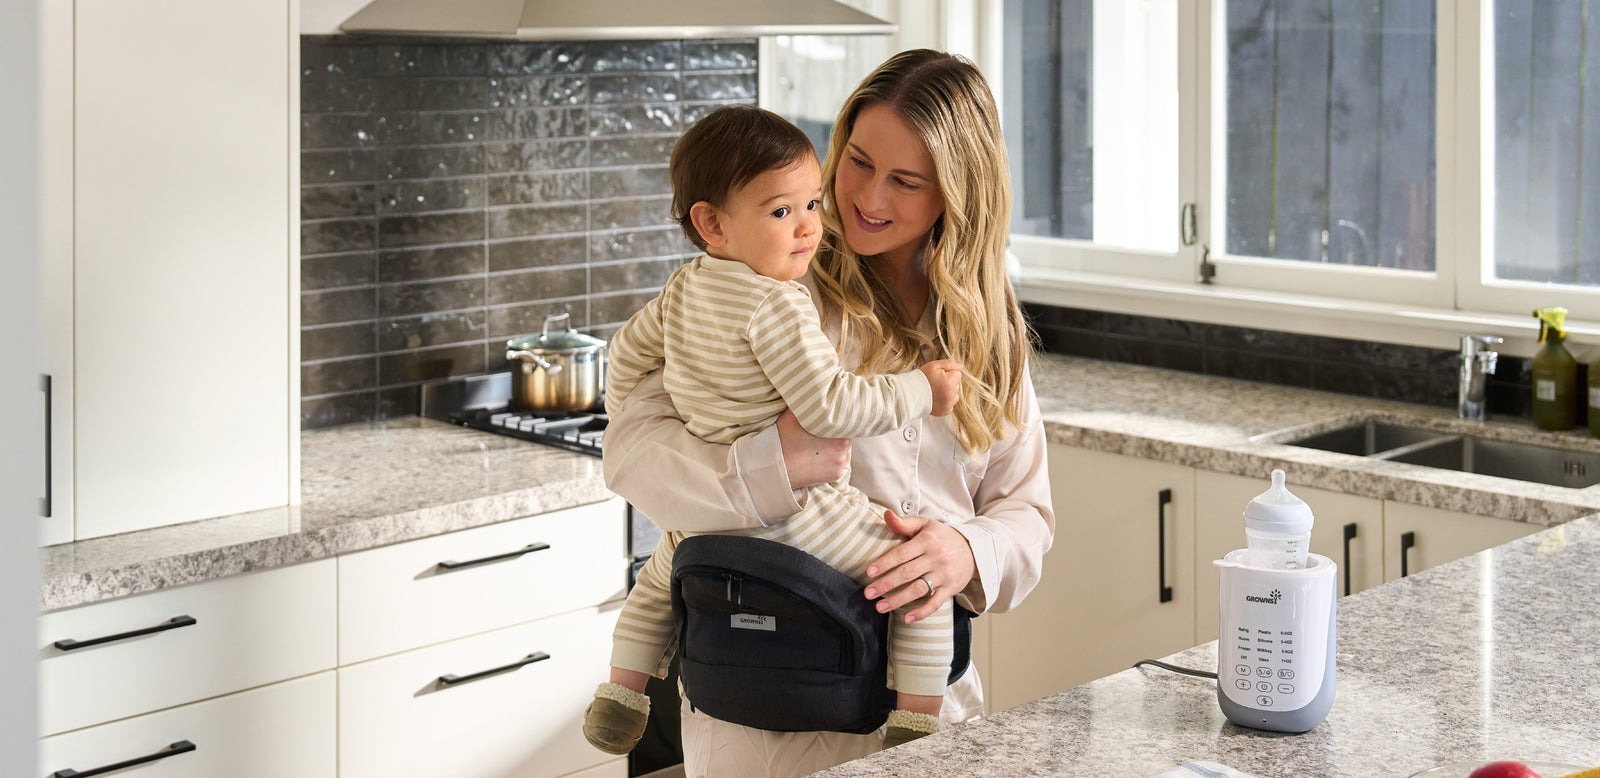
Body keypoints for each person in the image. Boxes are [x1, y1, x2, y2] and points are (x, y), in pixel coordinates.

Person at [603, 49, 1055, 778]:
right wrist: (769, 469)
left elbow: (1026, 516)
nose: (867, 199)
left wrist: (966, 552)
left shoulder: (988, 331)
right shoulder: (765, 282)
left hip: (928, 717)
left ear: (958, 193)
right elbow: (630, 447)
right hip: (763, 719)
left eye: (906, 181)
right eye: (857, 162)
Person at [582, 104, 966, 757]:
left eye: (811, 204)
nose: (811, 226)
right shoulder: (778, 300)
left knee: (656, 583)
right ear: (712, 223)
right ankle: (915, 719)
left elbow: (623, 358)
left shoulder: (682, 289)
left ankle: (621, 696)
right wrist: (922, 390)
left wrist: (666, 401)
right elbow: (830, 409)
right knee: (918, 589)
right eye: (783, 212)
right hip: (799, 526)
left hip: (708, 532)